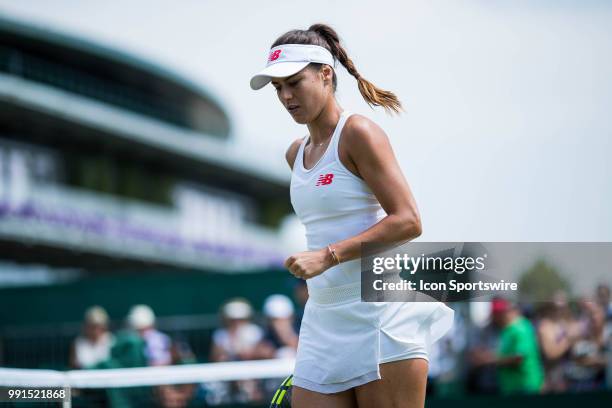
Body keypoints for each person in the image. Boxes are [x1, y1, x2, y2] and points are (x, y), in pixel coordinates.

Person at [250, 24, 453, 407]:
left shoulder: (359, 132)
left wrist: (327, 256)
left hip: (381, 318)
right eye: (278, 88)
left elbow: (408, 220)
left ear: (326, 75)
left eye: (294, 82)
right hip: (322, 321)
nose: (286, 96)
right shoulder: (295, 153)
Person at [481, 298, 544, 395]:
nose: (495, 317)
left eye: (498, 313)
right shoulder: (506, 330)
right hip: (511, 388)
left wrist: (490, 360)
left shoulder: (521, 328)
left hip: (525, 387)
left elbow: (518, 357)